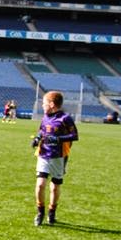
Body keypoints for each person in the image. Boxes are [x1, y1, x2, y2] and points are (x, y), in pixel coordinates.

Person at [30, 90, 79, 226]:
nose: (42, 105)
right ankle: (40, 212)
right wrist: (37, 139)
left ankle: (52, 211)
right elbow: (42, 130)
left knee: (55, 187)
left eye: (44, 103)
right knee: (40, 184)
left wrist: (58, 139)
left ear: (52, 104)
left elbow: (75, 136)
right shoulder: (45, 117)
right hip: (44, 154)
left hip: (59, 156)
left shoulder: (65, 118)